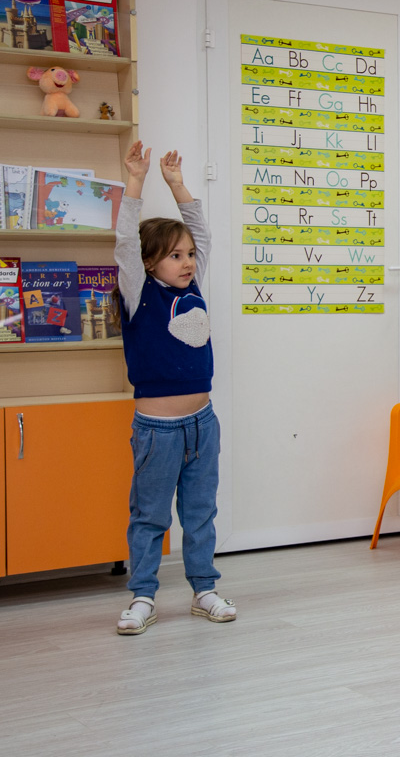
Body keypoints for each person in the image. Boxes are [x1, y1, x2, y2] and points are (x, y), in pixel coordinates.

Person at [113, 142, 234, 634]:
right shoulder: (138, 293)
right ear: (148, 264)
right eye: (174, 256)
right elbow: (125, 241)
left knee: (200, 512)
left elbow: (201, 233)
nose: (186, 262)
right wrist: (137, 181)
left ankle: (204, 589)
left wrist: (178, 184)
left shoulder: (194, 286)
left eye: (188, 256)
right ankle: (143, 596)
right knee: (150, 515)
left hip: (202, 424)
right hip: (157, 430)